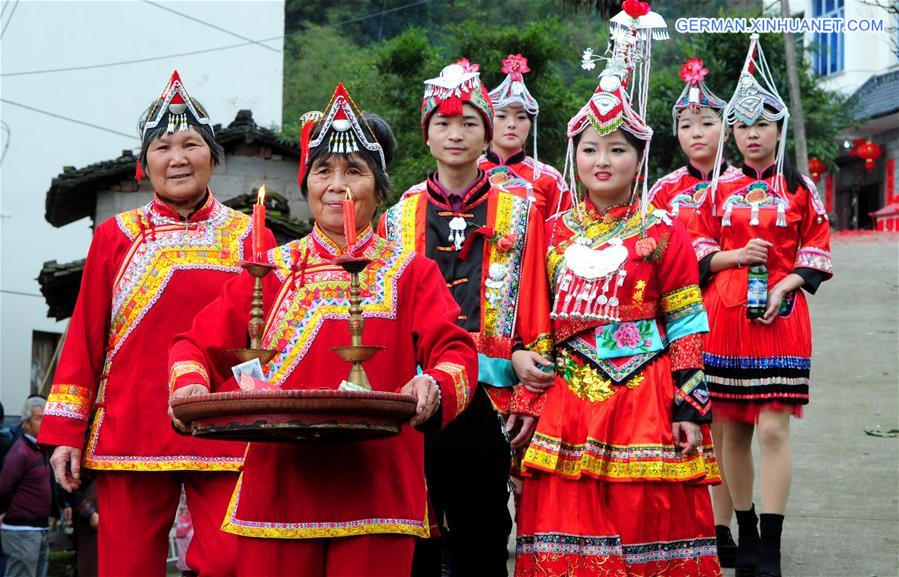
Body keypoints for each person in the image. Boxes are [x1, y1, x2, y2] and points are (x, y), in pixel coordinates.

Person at [168, 83, 479, 577]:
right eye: (323, 171)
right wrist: (188, 386)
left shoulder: (411, 272)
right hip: (276, 496)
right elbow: (193, 345)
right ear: (306, 185)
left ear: (379, 190)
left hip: (378, 493)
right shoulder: (269, 270)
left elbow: (456, 353)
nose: (336, 185)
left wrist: (433, 385)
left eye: (353, 172)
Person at [37, 70, 275, 577]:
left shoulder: (251, 238)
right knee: (125, 565)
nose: (178, 157)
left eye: (191, 143)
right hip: (131, 428)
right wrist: (65, 433)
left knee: (234, 561)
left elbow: (272, 336)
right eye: (163, 147)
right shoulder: (115, 237)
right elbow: (84, 338)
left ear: (213, 156)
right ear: (144, 163)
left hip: (226, 426)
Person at [514, 5, 721, 576]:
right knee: (566, 520)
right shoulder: (551, 232)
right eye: (589, 149)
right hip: (567, 396)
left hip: (645, 393)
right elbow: (535, 322)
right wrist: (528, 401)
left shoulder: (662, 230)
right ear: (573, 154)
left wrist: (691, 404)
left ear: (639, 158)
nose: (601, 161)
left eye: (617, 150)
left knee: (642, 517)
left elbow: (683, 322)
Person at [379, 58, 553, 577]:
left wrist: (529, 392)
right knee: (417, 526)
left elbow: (535, 304)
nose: (455, 135)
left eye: (468, 124)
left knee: (484, 527)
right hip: (422, 389)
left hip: (492, 391)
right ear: (426, 135)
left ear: (488, 132)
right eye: (443, 124)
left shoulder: (521, 211)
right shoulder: (398, 215)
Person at [689, 34, 832, 577]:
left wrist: (785, 284)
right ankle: (743, 528)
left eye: (762, 125)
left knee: (773, 429)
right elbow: (697, 249)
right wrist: (731, 255)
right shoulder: (716, 190)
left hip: (781, 314)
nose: (752, 135)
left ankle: (769, 543)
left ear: (779, 129)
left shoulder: (800, 188)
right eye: (743, 126)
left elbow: (818, 246)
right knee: (729, 428)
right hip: (723, 317)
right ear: (735, 132)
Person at [647, 56, 743, 567]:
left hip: (733, 312)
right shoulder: (661, 190)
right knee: (687, 416)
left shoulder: (742, 185)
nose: (697, 132)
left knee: (728, 421)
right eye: (686, 124)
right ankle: (697, 519)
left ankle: (726, 521)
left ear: (725, 126)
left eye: (707, 121)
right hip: (679, 316)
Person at [479, 54, 570, 219]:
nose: (512, 124)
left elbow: (561, 236)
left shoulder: (550, 179)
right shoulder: (469, 171)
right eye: (502, 116)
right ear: (488, 121)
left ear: (530, 123)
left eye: (521, 117)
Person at [0, 398, 53, 577]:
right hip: (21, 530)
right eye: (39, 418)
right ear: (26, 424)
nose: (44, 423)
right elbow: (4, 488)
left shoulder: (41, 450)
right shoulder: (20, 453)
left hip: (39, 528)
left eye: (46, 418)